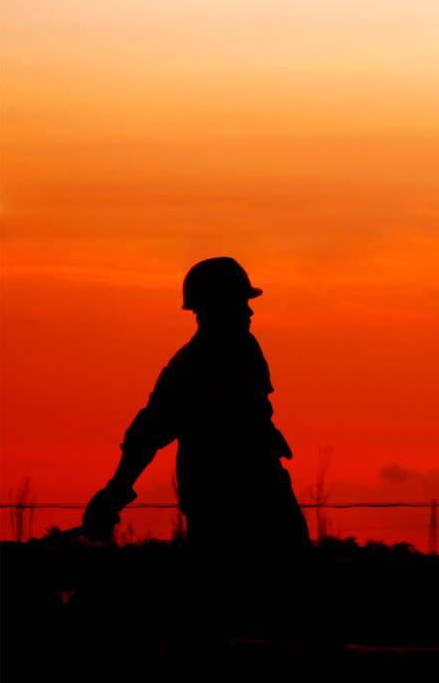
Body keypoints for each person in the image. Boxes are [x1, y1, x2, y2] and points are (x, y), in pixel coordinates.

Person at [81, 257, 310, 627]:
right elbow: (145, 436)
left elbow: (256, 409)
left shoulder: (249, 349)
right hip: (217, 500)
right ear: (216, 310)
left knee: (296, 580)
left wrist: (267, 438)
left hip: (266, 486)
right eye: (240, 304)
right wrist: (114, 494)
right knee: (218, 600)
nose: (250, 311)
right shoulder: (184, 373)